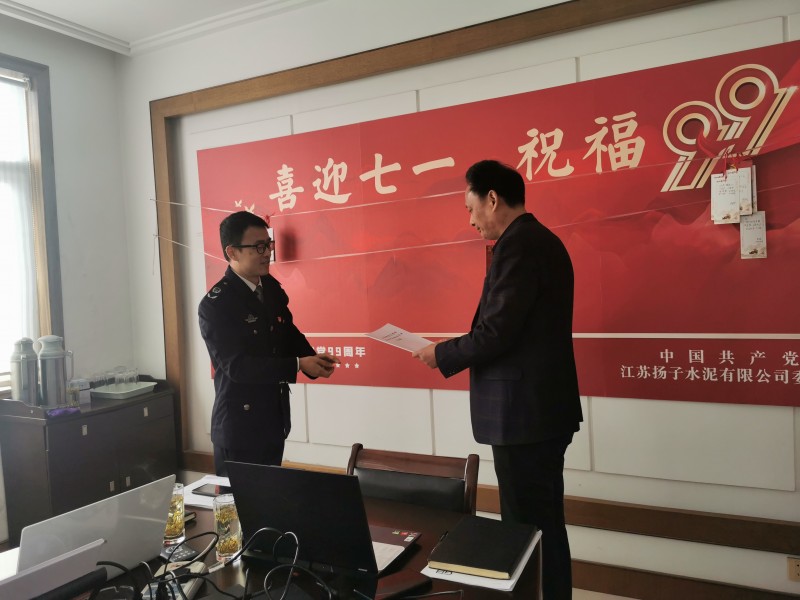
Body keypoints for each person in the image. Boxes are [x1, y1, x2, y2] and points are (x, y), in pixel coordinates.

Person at [412, 160, 582, 600]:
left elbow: (496, 332)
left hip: (524, 415)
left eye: (471, 209)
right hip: (539, 411)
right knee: (543, 526)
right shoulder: (539, 240)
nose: (471, 221)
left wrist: (441, 353)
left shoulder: (519, 245)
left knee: (526, 529)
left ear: (492, 199)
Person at [199, 211, 339, 476]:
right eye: (258, 247)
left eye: (268, 244)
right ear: (232, 252)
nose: (267, 253)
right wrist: (298, 364)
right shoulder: (217, 305)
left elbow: (287, 331)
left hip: (273, 421)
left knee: (272, 498)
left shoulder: (270, 288)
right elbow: (237, 367)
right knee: (239, 502)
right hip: (239, 428)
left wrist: (313, 360)